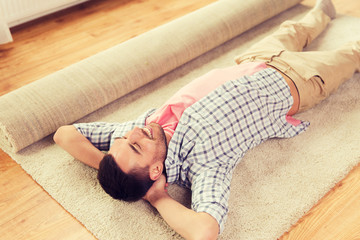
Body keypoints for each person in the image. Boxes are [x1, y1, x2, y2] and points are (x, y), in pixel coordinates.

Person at [54, 0, 359, 239]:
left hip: (255, 60)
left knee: (294, 30)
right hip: (300, 81)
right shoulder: (204, 163)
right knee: (352, 54)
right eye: (134, 148)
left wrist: (113, 167)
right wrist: (157, 197)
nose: (133, 132)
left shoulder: (145, 129)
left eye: (123, 141)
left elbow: (64, 135)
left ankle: (322, 12)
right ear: (157, 170)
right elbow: (204, 231)